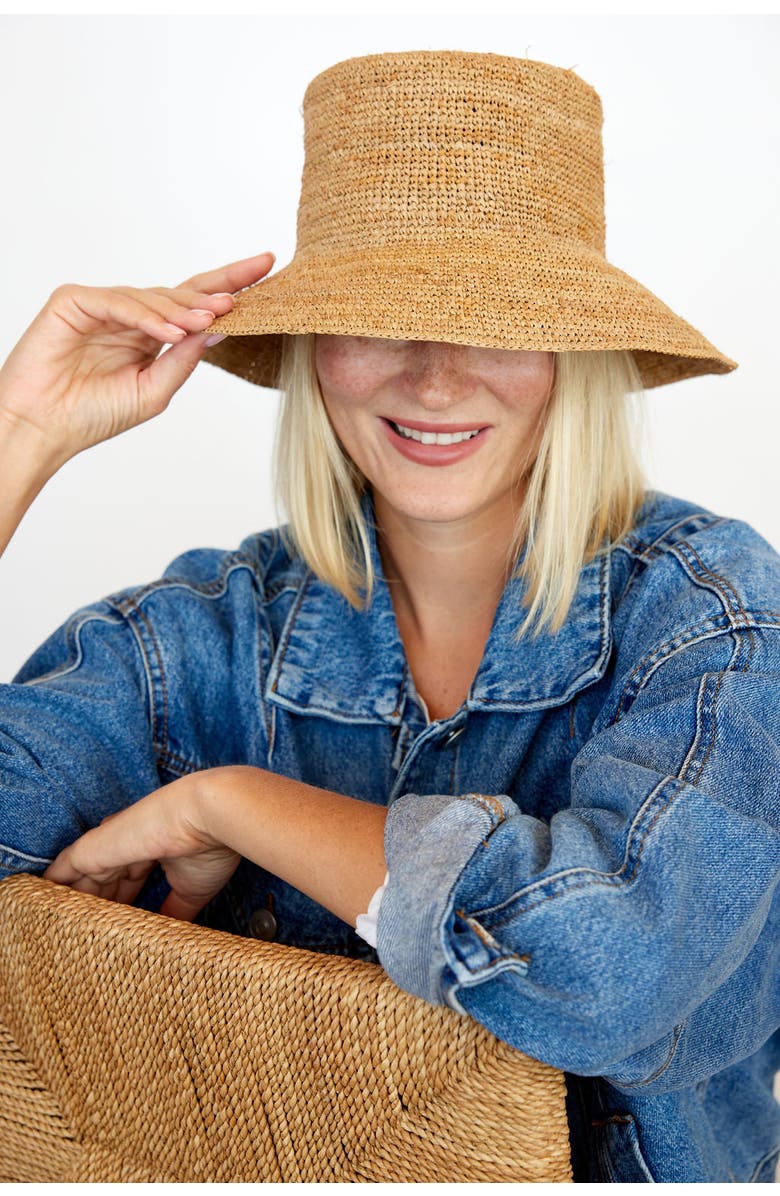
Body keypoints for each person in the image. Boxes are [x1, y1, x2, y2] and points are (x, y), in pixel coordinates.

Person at [0, 49, 777, 1184]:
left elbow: (610, 970)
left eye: (496, 322)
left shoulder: (710, 614)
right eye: (380, 318)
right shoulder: (206, 640)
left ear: (574, 354)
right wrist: (20, 437)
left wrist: (238, 803)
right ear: (316, 351)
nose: (433, 376)